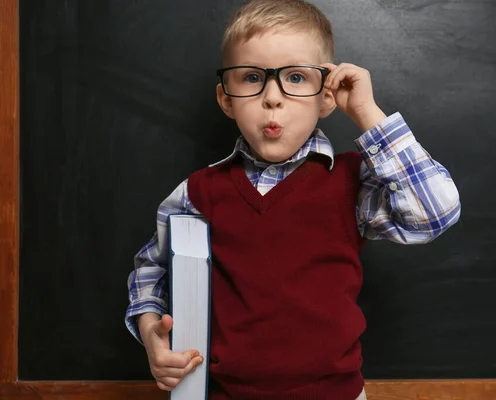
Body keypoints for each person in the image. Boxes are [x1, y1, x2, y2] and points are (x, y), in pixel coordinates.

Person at [125, 0, 461, 398]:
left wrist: (368, 113)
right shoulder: (198, 191)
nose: (272, 97)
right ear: (225, 98)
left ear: (327, 98)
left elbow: (435, 214)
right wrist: (150, 331)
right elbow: (152, 268)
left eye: (297, 77)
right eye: (251, 77)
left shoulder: (353, 183)